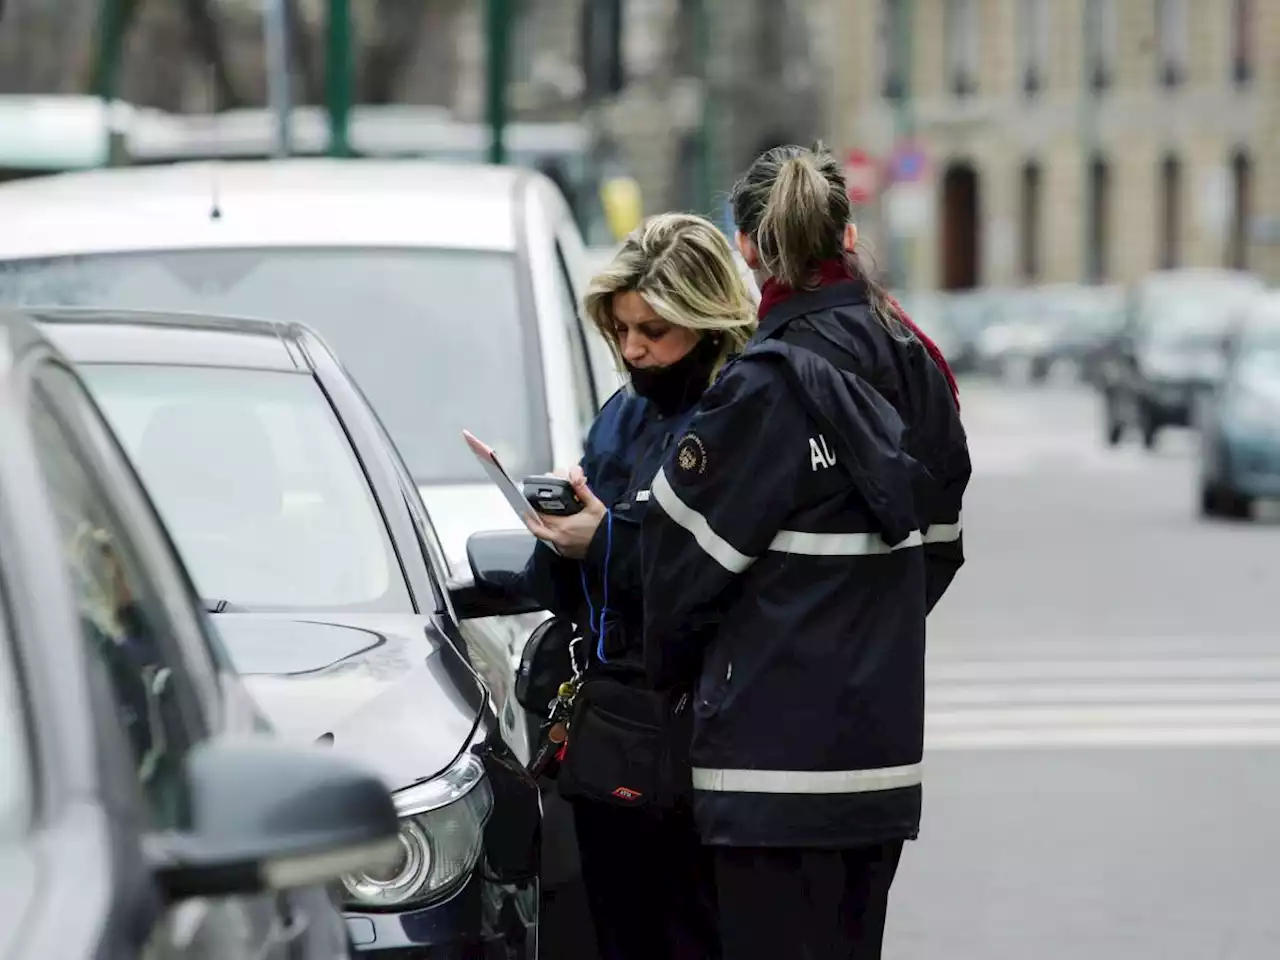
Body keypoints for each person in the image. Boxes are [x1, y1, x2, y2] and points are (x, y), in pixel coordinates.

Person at [639, 143, 971, 960]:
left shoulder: (759, 390)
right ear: (846, 235)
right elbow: (939, 550)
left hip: (764, 772)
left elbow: (675, 582)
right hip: (877, 759)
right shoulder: (917, 366)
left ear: (747, 249)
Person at [519, 212, 758, 960]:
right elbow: (581, 577)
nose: (633, 350)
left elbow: (714, 568)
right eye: (621, 330)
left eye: (654, 330)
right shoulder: (623, 413)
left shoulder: (740, 411)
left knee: (693, 931)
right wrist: (563, 534)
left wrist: (608, 538)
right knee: (617, 930)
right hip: (614, 725)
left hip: (704, 730)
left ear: (707, 321)